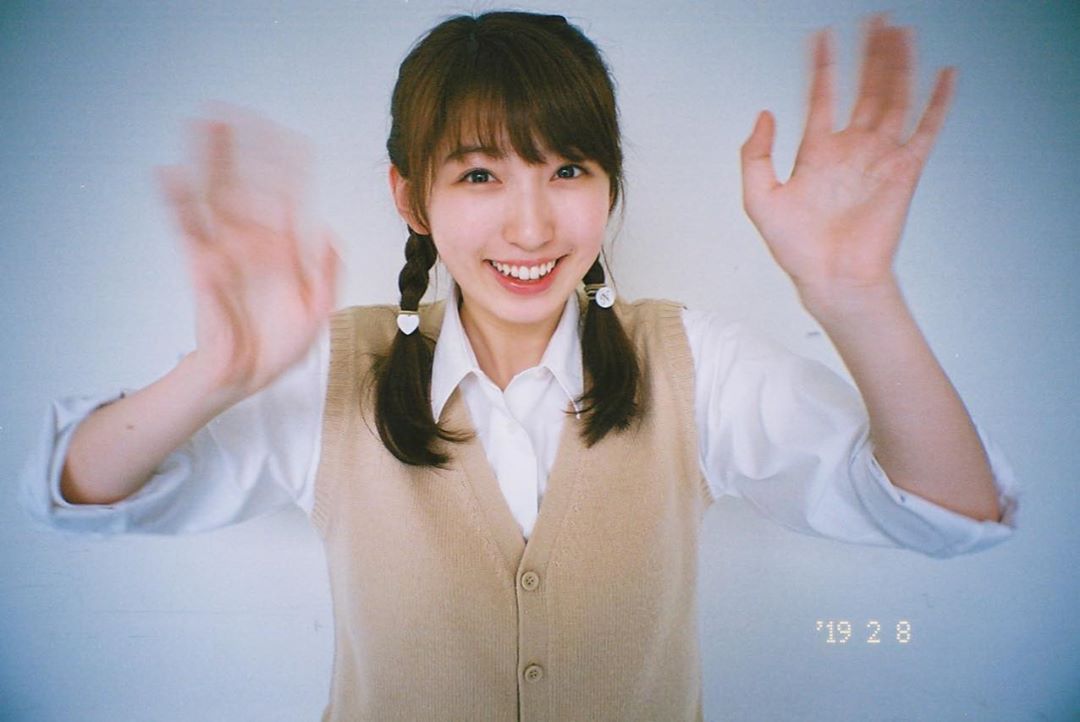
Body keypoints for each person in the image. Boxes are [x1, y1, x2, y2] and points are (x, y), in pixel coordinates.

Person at [21, 10, 1019, 721]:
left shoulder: (690, 360)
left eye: (568, 169)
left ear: (610, 184)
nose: (532, 226)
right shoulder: (337, 367)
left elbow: (950, 512)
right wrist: (216, 370)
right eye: (480, 174)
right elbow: (75, 490)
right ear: (410, 197)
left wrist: (857, 295)